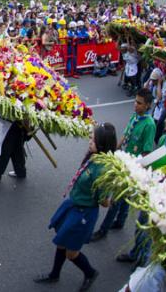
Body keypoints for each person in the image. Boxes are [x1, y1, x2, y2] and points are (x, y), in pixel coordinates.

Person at [34, 123, 118, 291]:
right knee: (61, 242)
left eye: (93, 140)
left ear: (102, 144)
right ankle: (54, 274)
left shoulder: (103, 169)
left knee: (71, 253)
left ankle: (90, 272)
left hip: (83, 214)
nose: (90, 141)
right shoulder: (94, 156)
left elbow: (104, 202)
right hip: (73, 205)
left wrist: (109, 197)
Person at [118, 104, 166, 267]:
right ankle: (135, 254)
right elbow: (156, 161)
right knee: (142, 224)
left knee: (151, 230)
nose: (165, 121)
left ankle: (142, 263)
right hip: (154, 186)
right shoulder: (163, 139)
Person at [91, 89, 155, 241]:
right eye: (135, 101)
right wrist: (113, 151)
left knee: (116, 199)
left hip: (133, 168)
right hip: (124, 161)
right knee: (125, 197)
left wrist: (137, 172)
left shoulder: (149, 125)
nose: (135, 105)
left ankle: (103, 230)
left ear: (147, 105)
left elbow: (146, 151)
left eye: (139, 103)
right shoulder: (135, 117)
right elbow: (125, 137)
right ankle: (120, 221)